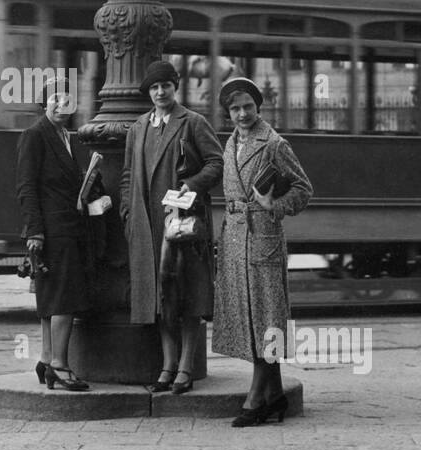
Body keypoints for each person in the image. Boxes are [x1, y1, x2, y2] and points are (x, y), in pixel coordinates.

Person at [211, 77, 313, 427]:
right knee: (251, 316)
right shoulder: (231, 143)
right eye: (235, 109)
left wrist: (275, 205)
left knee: (265, 317)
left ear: (259, 107)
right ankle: (275, 395)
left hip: (263, 236)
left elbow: (303, 189)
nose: (242, 114)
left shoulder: (273, 144)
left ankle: (256, 398)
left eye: (248, 107)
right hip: (235, 238)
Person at [121, 60, 223, 395]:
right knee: (161, 299)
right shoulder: (138, 128)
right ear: (148, 93)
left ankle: (185, 368)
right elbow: (127, 176)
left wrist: (190, 186)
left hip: (183, 227)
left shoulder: (192, 122)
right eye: (154, 87)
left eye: (165, 85)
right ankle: (167, 366)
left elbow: (216, 163)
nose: (160, 92)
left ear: (174, 87)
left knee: (188, 297)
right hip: (148, 228)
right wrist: (127, 211)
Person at [15, 77, 106, 391]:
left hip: (70, 226)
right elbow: (26, 187)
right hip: (53, 231)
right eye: (55, 99)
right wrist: (35, 232)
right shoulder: (35, 136)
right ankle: (60, 366)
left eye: (67, 100)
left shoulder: (70, 138)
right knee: (63, 300)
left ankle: (46, 358)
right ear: (44, 102)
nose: (61, 105)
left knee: (52, 298)